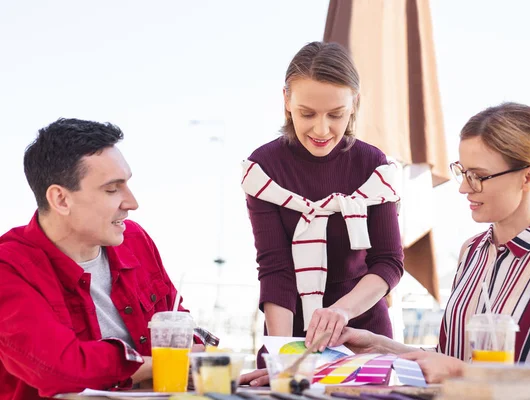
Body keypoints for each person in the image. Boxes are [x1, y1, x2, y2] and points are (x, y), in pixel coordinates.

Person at [333, 102, 530, 383]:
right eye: (463, 172)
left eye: (479, 176)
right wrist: (379, 346)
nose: (463, 187)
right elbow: (453, 358)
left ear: (529, 177)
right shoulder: (472, 251)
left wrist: (461, 372)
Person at [0, 119, 206, 399]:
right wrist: (156, 364)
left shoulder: (134, 239)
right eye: (112, 189)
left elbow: (176, 322)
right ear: (61, 199)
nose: (132, 203)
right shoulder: (9, 268)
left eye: (127, 185)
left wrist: (197, 357)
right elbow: (61, 370)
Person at [240, 41, 404, 382]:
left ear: (355, 104)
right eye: (307, 113)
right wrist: (285, 358)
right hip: (291, 336)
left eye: (336, 114)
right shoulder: (263, 170)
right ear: (286, 100)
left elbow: (389, 261)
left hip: (364, 336)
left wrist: (340, 312)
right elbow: (276, 269)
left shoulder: (374, 167)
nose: (321, 129)